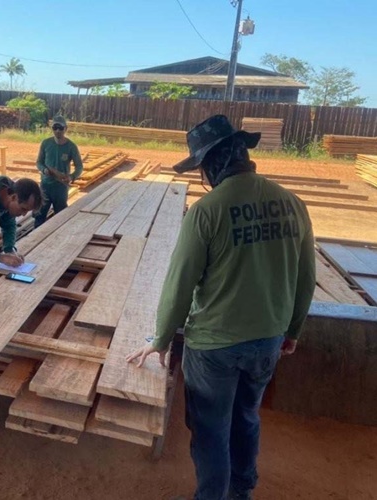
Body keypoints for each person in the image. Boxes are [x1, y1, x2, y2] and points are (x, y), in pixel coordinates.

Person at [126, 115, 316, 500]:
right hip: (268, 340)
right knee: (246, 416)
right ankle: (241, 491)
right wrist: (292, 331)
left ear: (210, 165)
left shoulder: (207, 211)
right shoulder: (292, 204)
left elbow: (180, 283)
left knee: (211, 427)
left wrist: (160, 340)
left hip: (214, 346)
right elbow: (306, 277)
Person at [34, 115, 84, 228]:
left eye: (60, 128)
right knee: (39, 214)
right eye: (55, 127)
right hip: (45, 186)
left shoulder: (71, 147)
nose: (57, 130)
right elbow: (39, 162)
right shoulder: (46, 143)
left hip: (60, 187)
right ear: (52, 128)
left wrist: (71, 177)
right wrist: (44, 170)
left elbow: (79, 166)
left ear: (65, 129)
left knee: (61, 217)